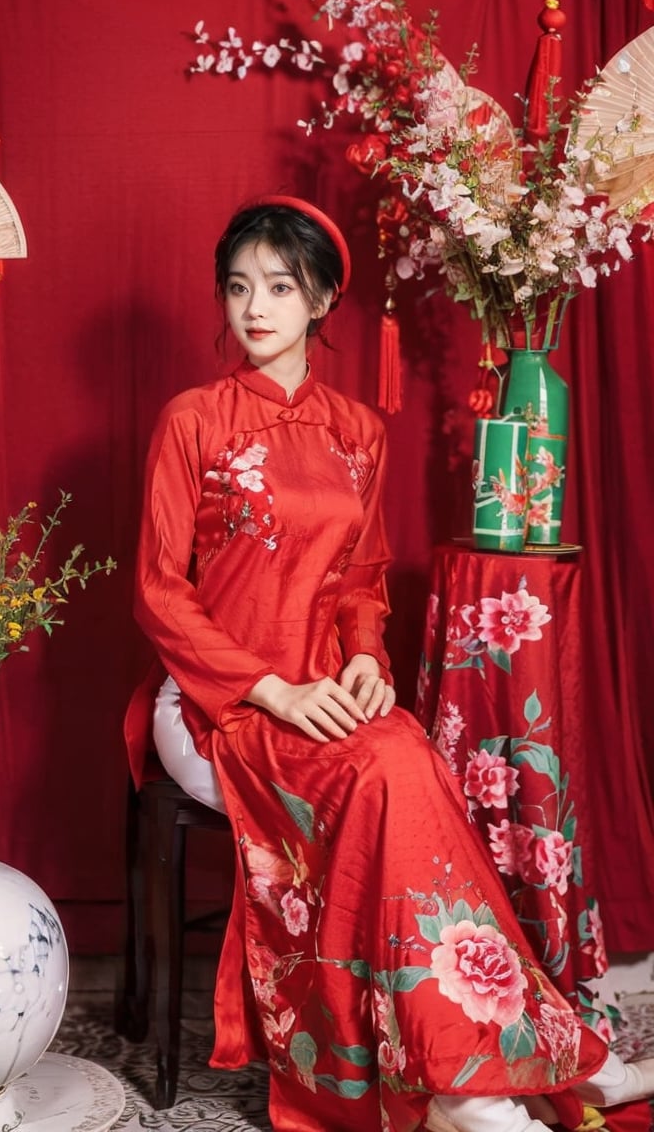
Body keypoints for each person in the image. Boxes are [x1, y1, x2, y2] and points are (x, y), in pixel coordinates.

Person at [129, 195, 654, 1132]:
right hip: (218, 703)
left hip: (327, 691)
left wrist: (366, 657)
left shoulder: (358, 431)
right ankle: (491, 1083)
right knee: (387, 770)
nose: (255, 306)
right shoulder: (193, 421)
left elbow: (364, 580)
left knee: (406, 754)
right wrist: (273, 688)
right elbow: (160, 594)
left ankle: (485, 1079)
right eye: (240, 286)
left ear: (323, 298)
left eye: (280, 287)